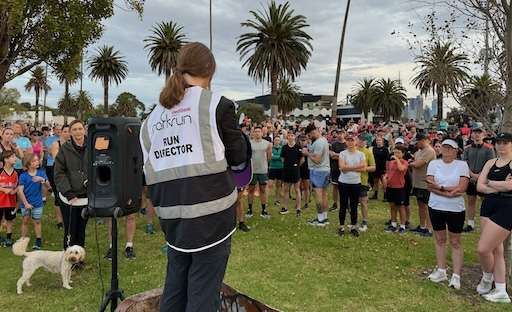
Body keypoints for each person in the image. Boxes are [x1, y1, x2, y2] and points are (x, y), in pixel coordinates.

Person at [139, 42, 247, 312]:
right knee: (203, 294)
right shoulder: (216, 106)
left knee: (175, 286)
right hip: (212, 217)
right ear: (210, 70)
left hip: (172, 219)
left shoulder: (150, 120)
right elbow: (239, 159)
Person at [425, 139, 469, 290]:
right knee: (440, 239)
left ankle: (456, 276)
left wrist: (440, 187)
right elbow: (430, 185)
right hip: (436, 206)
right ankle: (441, 270)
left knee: (455, 241)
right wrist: (447, 191)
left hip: (455, 209)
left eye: (450, 148)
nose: (446, 150)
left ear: (456, 151)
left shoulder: (462, 165)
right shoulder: (434, 163)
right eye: (444, 147)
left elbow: (461, 187)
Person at [475, 132, 512, 303]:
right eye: (499, 142)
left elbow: (510, 186)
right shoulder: (491, 162)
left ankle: (487, 277)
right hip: (488, 204)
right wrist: (499, 186)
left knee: (483, 248)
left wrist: (490, 183)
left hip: (507, 207)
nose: (501, 145)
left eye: (506, 142)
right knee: (496, 250)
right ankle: (500, 290)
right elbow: (479, 186)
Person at [54, 120, 88, 250]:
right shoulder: (64, 149)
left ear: (84, 130)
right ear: (70, 132)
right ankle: (68, 259)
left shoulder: (92, 147)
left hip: (85, 196)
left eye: (80, 128)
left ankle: (79, 258)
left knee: (81, 229)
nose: (77, 132)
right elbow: (59, 173)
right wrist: (68, 192)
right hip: (69, 197)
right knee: (70, 229)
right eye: (74, 129)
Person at [461, 126, 495, 232]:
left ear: (483, 135)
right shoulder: (467, 148)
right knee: (471, 200)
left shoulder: (489, 148)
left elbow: (490, 163)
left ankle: (487, 224)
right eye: (474, 132)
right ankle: (470, 224)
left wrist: (480, 176)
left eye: (479, 133)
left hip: (484, 179)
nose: (476, 135)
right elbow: (464, 162)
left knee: (484, 201)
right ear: (471, 135)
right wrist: (471, 174)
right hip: (471, 178)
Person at [17, 154, 50, 250]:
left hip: (37, 202)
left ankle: (38, 240)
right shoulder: (23, 176)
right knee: (25, 220)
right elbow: (20, 191)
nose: (37, 162)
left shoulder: (41, 173)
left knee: (37, 221)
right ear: (28, 164)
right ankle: (23, 240)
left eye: (37, 160)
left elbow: (49, 186)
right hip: (25, 203)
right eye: (34, 161)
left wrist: (42, 180)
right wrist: (26, 203)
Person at [337, 133, 366, 237]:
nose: (350, 142)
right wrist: (355, 168)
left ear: (356, 141)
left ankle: (354, 226)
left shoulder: (360, 154)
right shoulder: (342, 153)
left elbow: (363, 168)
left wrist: (347, 167)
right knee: (343, 205)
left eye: (352, 140)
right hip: (343, 182)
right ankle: (341, 226)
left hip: (355, 183)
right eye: (348, 140)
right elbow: (341, 167)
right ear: (346, 141)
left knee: (354, 206)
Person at [303, 124, 331, 226]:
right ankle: (324, 217)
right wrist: (310, 146)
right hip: (325, 170)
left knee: (318, 195)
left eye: (310, 135)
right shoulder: (323, 140)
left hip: (318, 171)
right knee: (324, 195)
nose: (309, 137)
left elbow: (317, 160)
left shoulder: (319, 143)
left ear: (313, 132)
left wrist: (307, 154)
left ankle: (320, 219)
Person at [410, 134, 436, 237]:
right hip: (417, 183)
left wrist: (408, 163)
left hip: (426, 184)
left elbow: (418, 164)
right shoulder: (418, 152)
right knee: (420, 205)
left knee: (427, 206)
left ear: (425, 140)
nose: (417, 144)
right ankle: (422, 226)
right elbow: (415, 162)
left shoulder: (429, 151)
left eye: (419, 141)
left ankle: (429, 229)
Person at [383, 144, 409, 234]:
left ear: (403, 153)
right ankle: (393, 224)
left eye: (398, 152)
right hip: (390, 187)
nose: (396, 154)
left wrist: (397, 159)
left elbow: (401, 169)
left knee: (401, 207)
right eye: (395, 152)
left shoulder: (405, 162)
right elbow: (389, 172)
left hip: (399, 188)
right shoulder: (391, 162)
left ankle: (402, 226)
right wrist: (385, 177)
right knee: (392, 206)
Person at [247, 127, 272, 218]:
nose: (257, 133)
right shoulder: (249, 143)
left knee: (263, 190)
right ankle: (249, 210)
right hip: (252, 171)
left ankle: (264, 210)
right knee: (251, 190)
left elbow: (269, 158)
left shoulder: (267, 144)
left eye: (259, 131)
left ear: (262, 133)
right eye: (255, 132)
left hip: (263, 171)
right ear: (253, 133)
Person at [48, 125, 68, 229]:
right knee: (58, 196)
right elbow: (57, 159)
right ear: (61, 133)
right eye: (65, 131)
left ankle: (68, 218)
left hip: (70, 173)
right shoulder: (56, 144)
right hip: (58, 172)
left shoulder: (73, 144)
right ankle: (59, 221)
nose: (67, 133)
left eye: (69, 131)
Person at [280, 131, 304, 216]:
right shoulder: (284, 147)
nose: (290, 137)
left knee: (297, 189)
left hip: (295, 170)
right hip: (286, 170)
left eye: (292, 135)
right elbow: (282, 159)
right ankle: (285, 207)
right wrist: (288, 165)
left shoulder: (298, 147)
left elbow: (302, 159)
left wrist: (296, 166)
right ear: (287, 137)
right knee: (286, 189)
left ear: (294, 137)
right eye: (289, 135)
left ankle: (298, 208)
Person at [357, 134, 375, 231]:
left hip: (363, 181)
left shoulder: (368, 152)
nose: (360, 142)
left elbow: (373, 167)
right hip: (351, 180)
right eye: (359, 140)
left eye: (363, 140)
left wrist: (363, 168)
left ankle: (364, 222)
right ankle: (354, 221)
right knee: (352, 202)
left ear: (366, 142)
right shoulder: (353, 151)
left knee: (363, 202)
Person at [0, 150, 18, 247]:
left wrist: (13, 191)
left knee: (10, 220)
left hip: (11, 202)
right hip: (0, 201)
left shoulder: (16, 173)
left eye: (15, 156)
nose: (15, 158)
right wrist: (3, 189)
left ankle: (8, 238)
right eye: (12, 157)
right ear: (6, 159)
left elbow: (18, 187)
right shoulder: (0, 171)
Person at [329, 130, 346, 211]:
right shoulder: (334, 144)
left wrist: (337, 155)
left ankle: (345, 204)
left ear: (344, 134)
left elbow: (347, 156)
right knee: (335, 186)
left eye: (341, 133)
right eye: (338, 134)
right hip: (335, 168)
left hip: (345, 168)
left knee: (344, 187)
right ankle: (335, 204)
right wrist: (342, 155)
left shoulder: (347, 144)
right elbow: (332, 156)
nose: (340, 135)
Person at [268, 136, 284, 207]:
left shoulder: (282, 148)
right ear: (273, 141)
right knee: (270, 185)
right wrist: (278, 157)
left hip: (280, 168)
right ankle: (266, 200)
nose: (277, 141)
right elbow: (271, 157)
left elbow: (282, 157)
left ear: (280, 141)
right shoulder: (271, 148)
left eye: (278, 140)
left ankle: (277, 200)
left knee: (278, 185)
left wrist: (275, 156)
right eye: (276, 140)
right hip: (272, 168)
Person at [298, 135, 311, 209]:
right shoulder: (297, 148)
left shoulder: (309, 149)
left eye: (304, 140)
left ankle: (306, 203)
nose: (303, 142)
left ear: (306, 141)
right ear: (299, 140)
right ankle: (298, 202)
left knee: (306, 187)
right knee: (298, 187)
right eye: (301, 140)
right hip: (298, 168)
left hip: (306, 169)